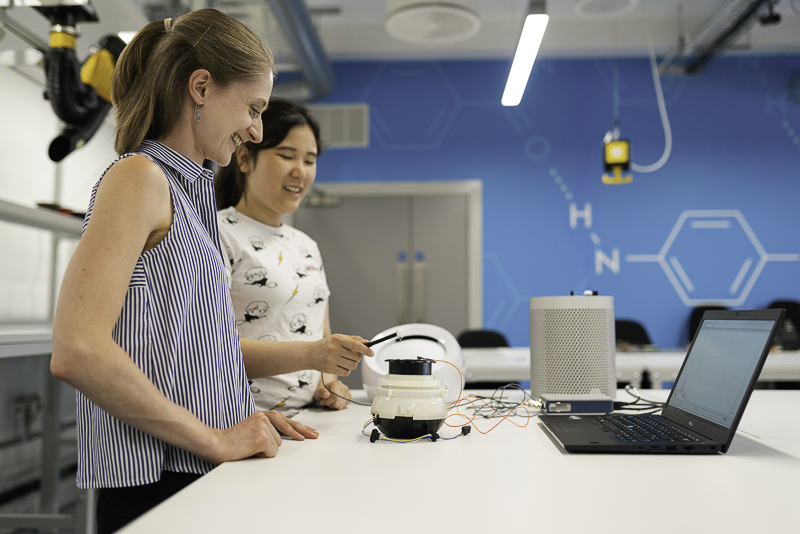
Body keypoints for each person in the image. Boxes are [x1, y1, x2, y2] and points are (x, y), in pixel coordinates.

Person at [49, 9, 373, 533]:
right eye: (252, 106)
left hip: (196, 466)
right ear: (200, 87)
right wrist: (216, 438)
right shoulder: (140, 177)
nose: (256, 128)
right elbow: (78, 350)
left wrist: (237, 415)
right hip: (158, 479)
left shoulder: (191, 191)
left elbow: (191, 349)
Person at [215, 99, 351, 416]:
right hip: (245, 421)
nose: (299, 171)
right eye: (287, 156)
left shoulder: (307, 245)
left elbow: (321, 336)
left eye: (309, 160)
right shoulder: (218, 233)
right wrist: (311, 355)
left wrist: (329, 384)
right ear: (246, 158)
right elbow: (211, 349)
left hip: (307, 421)